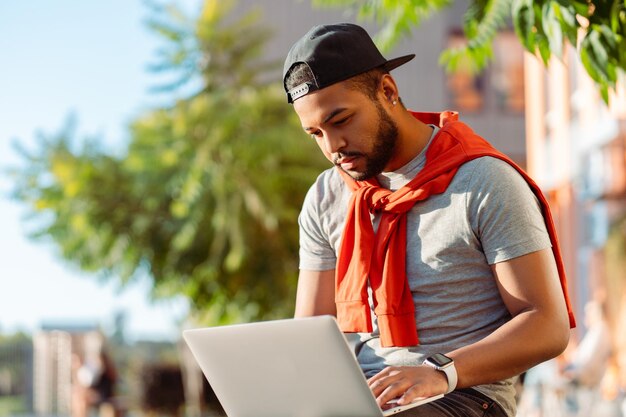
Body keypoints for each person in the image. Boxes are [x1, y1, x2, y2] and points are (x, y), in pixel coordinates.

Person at [283, 23, 576, 417]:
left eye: (341, 120)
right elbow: (311, 335)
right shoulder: (325, 197)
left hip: (464, 395)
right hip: (362, 401)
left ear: (388, 91)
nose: (332, 146)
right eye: (315, 133)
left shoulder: (482, 181)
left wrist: (439, 371)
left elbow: (547, 326)